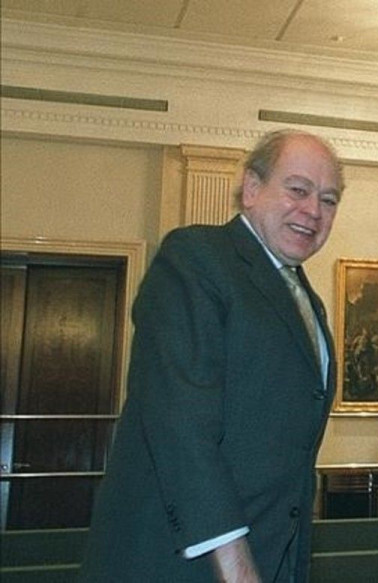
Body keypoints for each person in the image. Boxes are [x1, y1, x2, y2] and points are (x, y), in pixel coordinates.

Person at [79, 129, 343, 582]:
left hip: (270, 556)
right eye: (298, 190)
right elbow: (179, 424)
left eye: (329, 199)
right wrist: (237, 567)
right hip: (182, 563)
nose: (313, 211)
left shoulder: (305, 299)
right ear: (251, 187)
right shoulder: (197, 258)